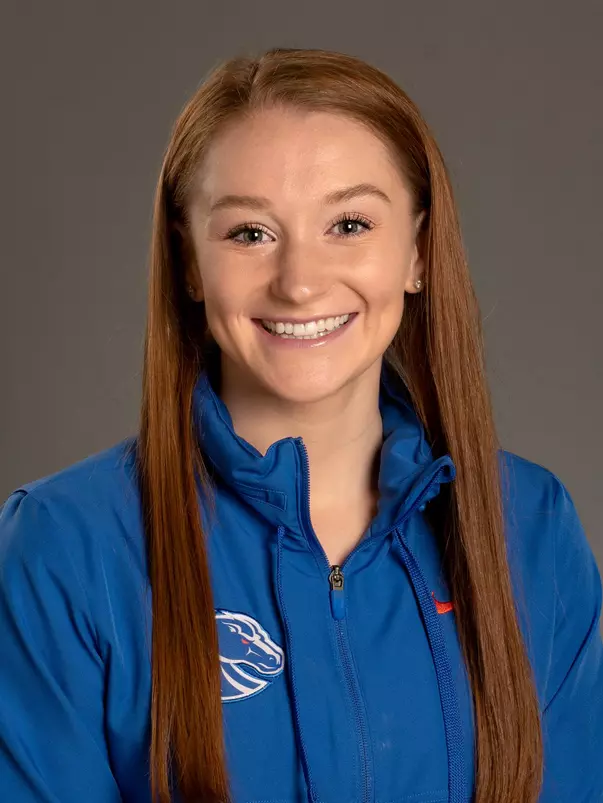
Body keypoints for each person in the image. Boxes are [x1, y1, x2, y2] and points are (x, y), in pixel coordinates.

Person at [0, 46, 601, 803]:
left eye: (348, 223)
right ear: (188, 263)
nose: (299, 283)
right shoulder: (63, 547)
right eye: (250, 233)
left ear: (417, 252)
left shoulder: (531, 527)